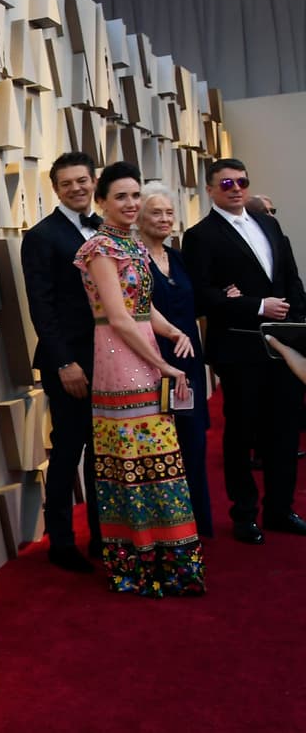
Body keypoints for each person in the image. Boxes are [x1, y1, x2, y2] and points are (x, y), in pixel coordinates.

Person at [73, 163, 206, 597]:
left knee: (163, 463)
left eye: (135, 196)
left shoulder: (132, 245)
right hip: (118, 361)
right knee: (132, 466)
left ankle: (174, 565)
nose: (131, 205)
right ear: (102, 203)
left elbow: (145, 309)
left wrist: (172, 332)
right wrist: (163, 364)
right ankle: (138, 567)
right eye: (121, 198)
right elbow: (119, 318)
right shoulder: (99, 249)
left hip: (144, 352)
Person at [182, 158, 306, 544]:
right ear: (211, 189)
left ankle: (280, 509)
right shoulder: (200, 235)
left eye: (241, 181)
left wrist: (299, 326)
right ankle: (245, 515)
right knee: (241, 431)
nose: (235, 188)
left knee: (285, 430)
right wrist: (254, 304)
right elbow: (201, 296)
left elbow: (291, 279)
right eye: (226, 183)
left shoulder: (268, 223)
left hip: (283, 346)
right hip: (237, 346)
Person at [20, 152, 102, 572]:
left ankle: (103, 536)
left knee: (102, 452)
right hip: (67, 363)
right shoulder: (41, 236)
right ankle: (62, 543)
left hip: (108, 360)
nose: (76, 188)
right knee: (69, 450)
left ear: (93, 182)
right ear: (56, 188)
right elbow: (42, 307)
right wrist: (65, 362)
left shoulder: (106, 231)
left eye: (82, 181)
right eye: (67, 183)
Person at [138, 183, 214, 537]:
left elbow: (196, 302)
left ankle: (197, 522)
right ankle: (169, 527)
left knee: (192, 438)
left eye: (169, 212)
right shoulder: (133, 260)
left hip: (187, 365)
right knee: (160, 446)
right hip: (152, 362)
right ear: (139, 216)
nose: (165, 218)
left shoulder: (178, 256)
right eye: (156, 212)